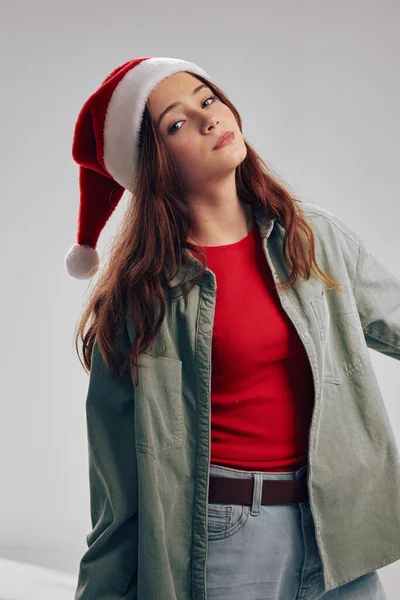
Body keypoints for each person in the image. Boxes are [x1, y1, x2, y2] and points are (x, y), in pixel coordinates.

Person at [65, 57, 400, 599]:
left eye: (207, 99)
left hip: (336, 527)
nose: (207, 119)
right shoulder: (141, 297)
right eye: (175, 123)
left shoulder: (311, 237)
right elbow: (116, 487)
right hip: (224, 540)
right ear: (152, 164)